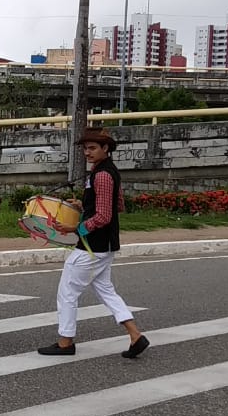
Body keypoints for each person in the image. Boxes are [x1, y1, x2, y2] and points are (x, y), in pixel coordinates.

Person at [37, 129, 148, 358]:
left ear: (106, 149)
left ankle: (66, 342)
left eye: (92, 148)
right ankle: (135, 336)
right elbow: (116, 206)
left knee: (67, 291)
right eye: (85, 148)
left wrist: (76, 228)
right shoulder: (105, 172)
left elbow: (105, 215)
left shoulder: (103, 175)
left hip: (92, 247)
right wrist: (83, 206)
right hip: (103, 246)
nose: (87, 153)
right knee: (106, 291)